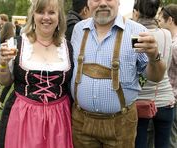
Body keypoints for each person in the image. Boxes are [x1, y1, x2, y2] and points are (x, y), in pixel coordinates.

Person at [70, 0, 166, 147]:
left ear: (118, 1)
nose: (102, 3)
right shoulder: (78, 30)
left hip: (121, 125)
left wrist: (154, 57)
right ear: (88, 2)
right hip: (80, 123)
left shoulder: (136, 32)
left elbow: (155, 77)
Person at [0, 0, 74, 147]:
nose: (46, 17)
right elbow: (4, 81)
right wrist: (3, 63)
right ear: (33, 15)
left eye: (51, 12)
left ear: (59, 17)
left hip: (59, 118)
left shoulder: (67, 47)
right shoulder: (17, 43)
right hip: (23, 116)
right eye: (40, 12)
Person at [134, 0, 175, 148]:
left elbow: (135, 69)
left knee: (140, 144)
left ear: (137, 10)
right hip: (165, 98)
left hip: (140, 101)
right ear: (157, 10)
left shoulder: (135, 35)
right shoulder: (166, 34)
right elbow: (166, 65)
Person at [158, 4, 177, 148]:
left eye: (160, 18)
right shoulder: (170, 41)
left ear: (170, 20)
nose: (158, 21)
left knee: (171, 141)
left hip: (173, 100)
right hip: (169, 100)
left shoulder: (175, 45)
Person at [0, 22, 16, 110]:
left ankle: (0, 101)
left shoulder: (1, 38)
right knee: (10, 85)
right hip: (10, 63)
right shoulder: (12, 40)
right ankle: (2, 102)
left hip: (3, 64)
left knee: (8, 85)